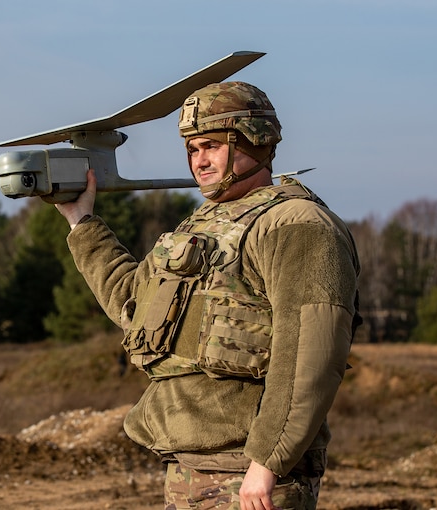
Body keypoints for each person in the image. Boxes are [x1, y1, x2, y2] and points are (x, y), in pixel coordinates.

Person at [55, 81, 360, 510]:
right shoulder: (202, 225)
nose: (200, 161)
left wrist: (267, 463)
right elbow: (131, 304)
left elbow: (310, 353)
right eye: (193, 149)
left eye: (212, 146)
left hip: (251, 474)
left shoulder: (297, 225)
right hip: (187, 467)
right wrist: (81, 221)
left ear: (256, 140)